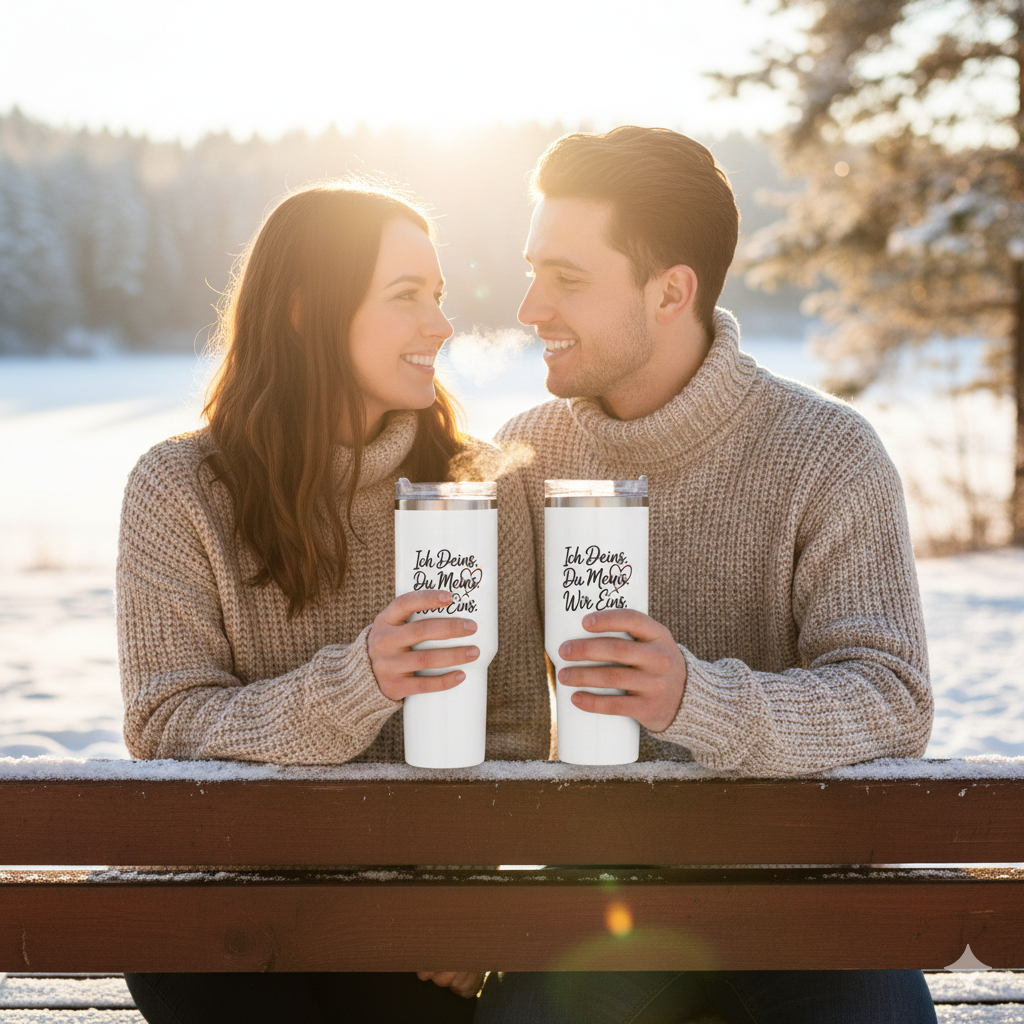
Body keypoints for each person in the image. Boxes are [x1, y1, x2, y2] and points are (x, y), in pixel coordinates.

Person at [476, 127, 937, 1023]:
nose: (531, 307)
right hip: (603, 906)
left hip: (805, 894)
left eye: (568, 278)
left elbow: (890, 698)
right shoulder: (524, 455)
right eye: (533, 270)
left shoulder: (828, 455)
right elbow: (500, 712)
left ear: (669, 292)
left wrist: (694, 697)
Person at [116, 182, 549, 1023]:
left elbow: (515, 729)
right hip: (223, 907)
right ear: (306, 311)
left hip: (405, 920)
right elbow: (167, 724)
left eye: (439, 296)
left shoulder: (477, 486)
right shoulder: (178, 490)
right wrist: (358, 684)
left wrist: (468, 904)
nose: (441, 325)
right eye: (406, 297)